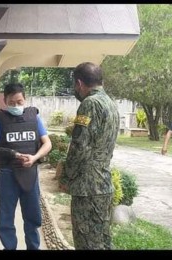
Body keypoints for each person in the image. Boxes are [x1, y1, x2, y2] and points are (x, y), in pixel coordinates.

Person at [59, 62, 120, 250]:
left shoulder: (90, 104)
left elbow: (79, 146)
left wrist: (66, 177)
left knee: (86, 242)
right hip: (103, 184)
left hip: (87, 187)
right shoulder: (110, 103)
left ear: (79, 83)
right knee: (102, 240)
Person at [0, 83, 51, 250]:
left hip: (30, 173)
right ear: (4, 101)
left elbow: (47, 143)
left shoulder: (33, 117)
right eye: (12, 102)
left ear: (25, 99)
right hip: (7, 174)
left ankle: (33, 247)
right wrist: (14, 154)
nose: (16, 106)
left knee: (33, 217)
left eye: (20, 102)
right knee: (6, 219)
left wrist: (34, 157)